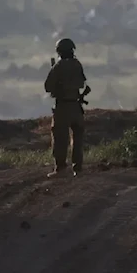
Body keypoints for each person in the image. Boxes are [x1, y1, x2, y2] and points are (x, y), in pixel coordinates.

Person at [44, 37, 87, 177]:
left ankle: (60, 168)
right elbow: (82, 83)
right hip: (76, 105)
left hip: (62, 106)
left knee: (60, 138)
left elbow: (48, 86)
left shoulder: (59, 66)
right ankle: (78, 168)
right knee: (77, 138)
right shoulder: (77, 64)